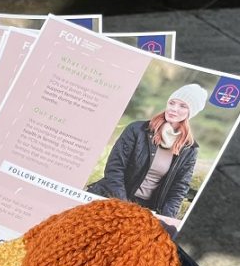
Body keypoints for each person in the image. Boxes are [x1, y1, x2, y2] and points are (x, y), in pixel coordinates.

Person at [87, 83, 208, 220]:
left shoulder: (189, 149)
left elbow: (179, 188)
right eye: (172, 103)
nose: (174, 109)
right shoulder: (138, 130)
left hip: (145, 211)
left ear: (191, 112)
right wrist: (124, 206)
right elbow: (114, 169)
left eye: (183, 106)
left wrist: (165, 220)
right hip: (111, 197)